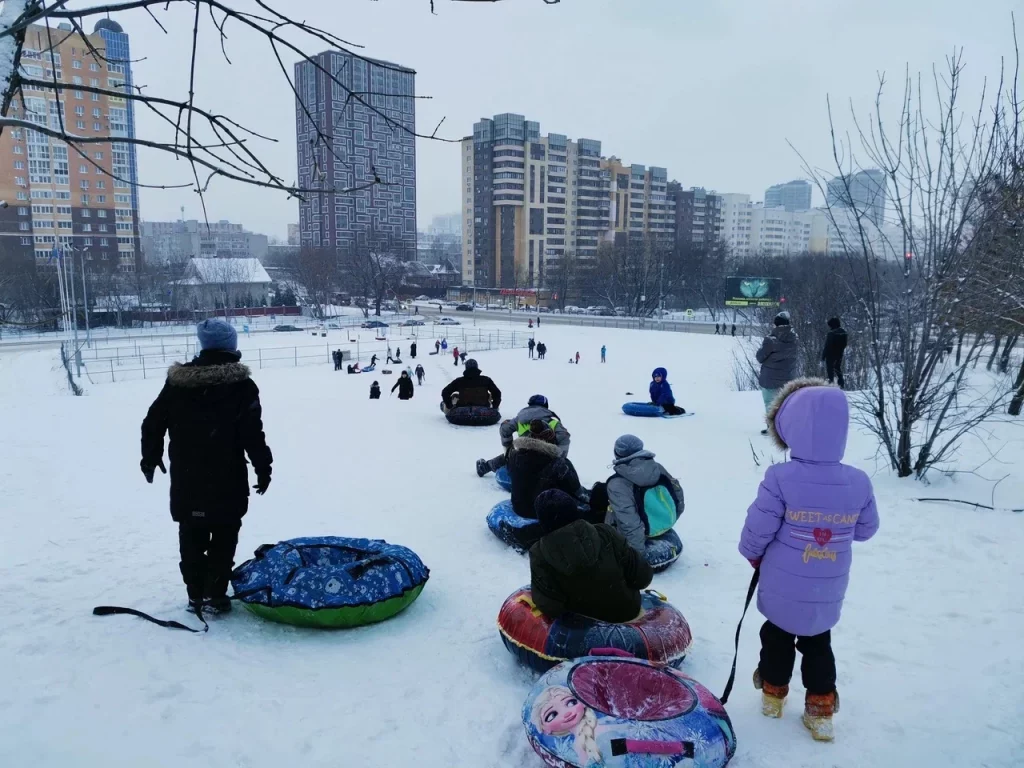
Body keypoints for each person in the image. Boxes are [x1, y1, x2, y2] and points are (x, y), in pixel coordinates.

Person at [739, 378, 879, 742]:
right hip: (827, 586)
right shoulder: (858, 482)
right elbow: (866, 529)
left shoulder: (780, 477)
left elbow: (759, 526)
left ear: (789, 429)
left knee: (776, 636)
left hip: (782, 583)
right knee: (818, 643)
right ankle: (820, 710)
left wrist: (752, 552)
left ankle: (773, 695)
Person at [140, 319, 273, 615]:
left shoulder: (177, 383)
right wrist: (263, 467)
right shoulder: (242, 386)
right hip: (228, 478)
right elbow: (253, 434)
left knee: (192, 536)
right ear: (231, 347)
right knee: (224, 535)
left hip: (188, 479)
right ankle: (215, 595)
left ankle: (197, 596)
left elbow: (152, 422)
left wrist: (150, 457)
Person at [529, 489, 654, 623]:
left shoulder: (539, 553)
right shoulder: (606, 533)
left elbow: (550, 606)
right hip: (628, 613)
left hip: (583, 627)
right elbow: (643, 576)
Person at [593, 435, 683, 554]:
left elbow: (629, 522)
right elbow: (678, 496)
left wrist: (637, 555)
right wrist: (668, 519)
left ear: (617, 453)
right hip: (661, 524)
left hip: (637, 541)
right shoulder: (657, 468)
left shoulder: (617, 484)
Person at [506, 419, 584, 519]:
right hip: (544, 514)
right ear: (549, 437)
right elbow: (577, 492)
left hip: (519, 508)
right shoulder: (559, 463)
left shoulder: (514, 455)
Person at [476, 394, 570, 477]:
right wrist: (560, 460)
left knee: (511, 454)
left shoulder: (520, 419)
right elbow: (564, 438)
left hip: (522, 458)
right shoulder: (553, 421)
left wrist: (507, 449)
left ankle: (484, 467)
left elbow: (505, 428)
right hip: (546, 460)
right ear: (546, 406)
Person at [756, 311, 800, 434]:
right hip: (788, 377)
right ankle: (785, 427)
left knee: (770, 404)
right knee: (785, 404)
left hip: (770, 378)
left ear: (775, 324)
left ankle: (773, 429)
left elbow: (760, 357)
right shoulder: (794, 339)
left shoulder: (771, 340)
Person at [821, 317, 848, 389]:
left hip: (830, 355)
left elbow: (827, 346)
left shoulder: (831, 333)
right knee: (837, 368)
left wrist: (823, 357)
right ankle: (841, 383)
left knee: (830, 370)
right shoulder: (844, 333)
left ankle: (831, 384)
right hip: (839, 354)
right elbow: (845, 344)